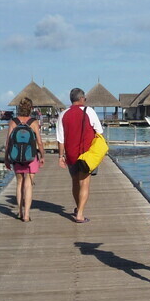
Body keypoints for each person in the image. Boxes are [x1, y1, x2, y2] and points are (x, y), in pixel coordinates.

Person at [56, 87, 103, 223]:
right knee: (84, 183)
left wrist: (60, 156)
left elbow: (60, 139)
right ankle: (80, 214)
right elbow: (99, 131)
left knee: (75, 182)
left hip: (70, 154)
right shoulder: (89, 111)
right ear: (82, 99)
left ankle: (78, 208)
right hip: (86, 154)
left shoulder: (63, 114)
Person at [5, 97, 45, 222]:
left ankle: (20, 212)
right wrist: (42, 156)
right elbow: (39, 142)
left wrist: (6, 158)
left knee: (19, 183)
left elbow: (8, 143)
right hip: (31, 156)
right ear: (30, 108)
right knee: (28, 184)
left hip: (16, 156)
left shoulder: (13, 122)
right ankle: (27, 215)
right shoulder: (34, 122)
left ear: (19, 108)